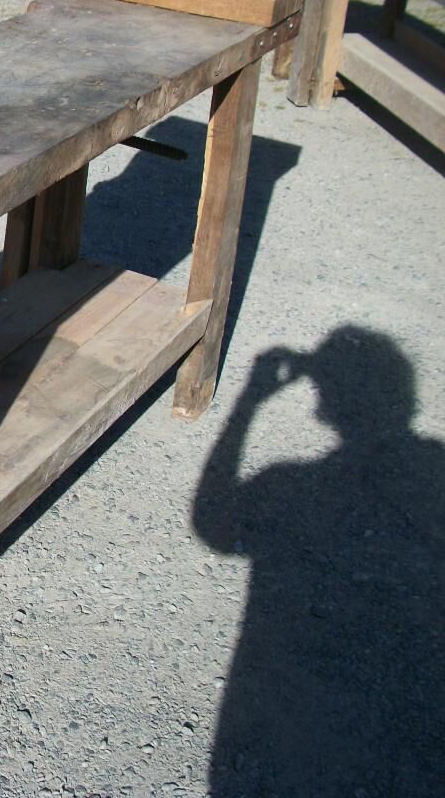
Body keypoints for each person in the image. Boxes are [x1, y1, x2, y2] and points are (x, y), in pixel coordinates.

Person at [194, 326, 445, 797]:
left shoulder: (286, 483)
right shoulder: (435, 466)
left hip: (281, 712)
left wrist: (250, 401)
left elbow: (213, 525)